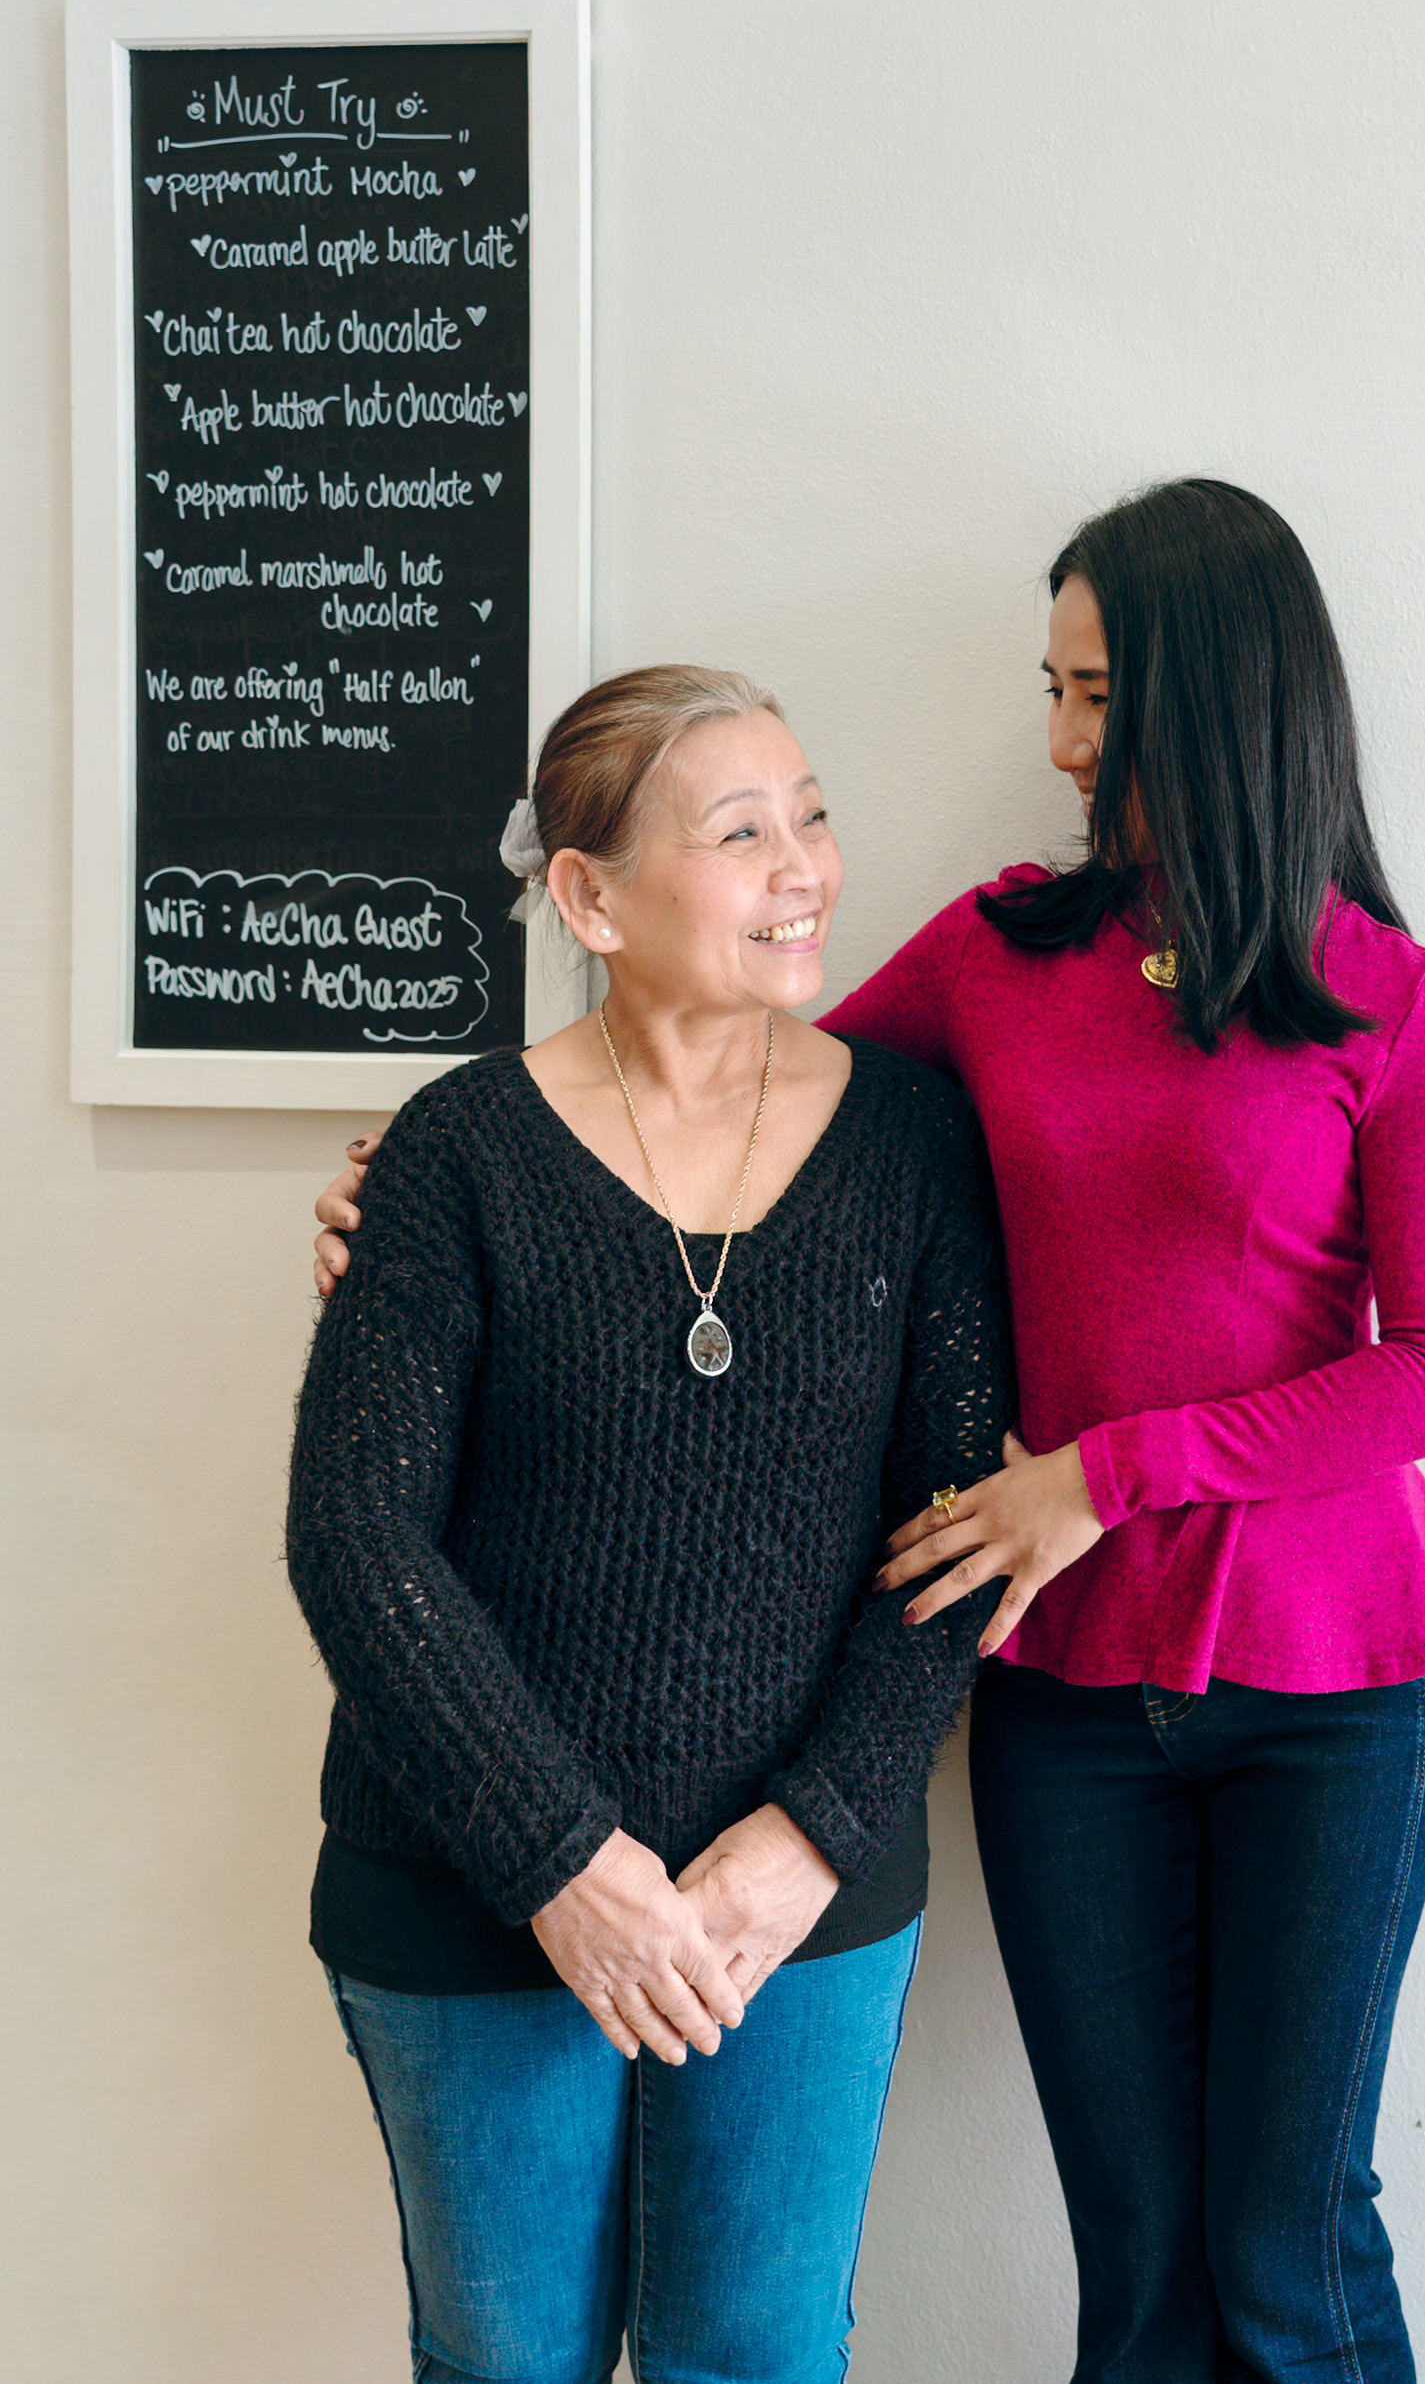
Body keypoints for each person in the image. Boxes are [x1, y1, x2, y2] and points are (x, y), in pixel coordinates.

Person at [314, 482, 1425, 2384]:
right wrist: (422, 1191)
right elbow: (736, 1092)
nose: (1064, 741)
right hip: (1063, 1686)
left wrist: (1102, 1473)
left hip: (1329, 1674)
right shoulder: (994, 956)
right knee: (1132, 2252)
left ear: (1215, 693)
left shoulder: (1394, 1001)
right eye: (1056, 689)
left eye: (1099, 693)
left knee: (1287, 2245)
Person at [288, 663, 1013, 2384]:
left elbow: (958, 1532)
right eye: (741, 832)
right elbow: (356, 1540)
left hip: (798, 1911)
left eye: (813, 816)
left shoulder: (916, 1142)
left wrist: (811, 1836)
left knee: (755, 2355)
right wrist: (561, 1862)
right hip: (470, 1895)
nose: (806, 867)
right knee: (505, 2361)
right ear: (591, 897)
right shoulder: (456, 1152)